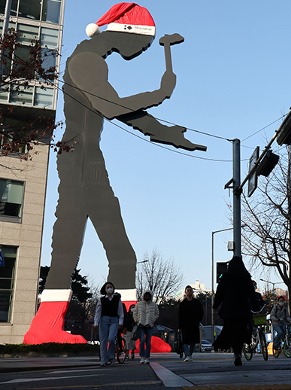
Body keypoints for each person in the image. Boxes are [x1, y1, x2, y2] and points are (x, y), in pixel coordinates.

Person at [24, 2, 204, 344]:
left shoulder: (90, 60)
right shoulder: (86, 61)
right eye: (145, 42)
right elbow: (112, 107)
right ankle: (46, 327)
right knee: (72, 246)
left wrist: (167, 134)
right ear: (126, 32)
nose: (145, 49)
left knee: (117, 253)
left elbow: (119, 110)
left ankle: (134, 333)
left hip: (88, 163)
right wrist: (160, 93)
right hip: (79, 164)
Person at [212, 255, 255, 366]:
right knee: (240, 333)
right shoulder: (246, 277)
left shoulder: (225, 277)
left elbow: (219, 293)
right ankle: (238, 353)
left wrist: (215, 305)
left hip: (229, 311)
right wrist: (255, 304)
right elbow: (251, 293)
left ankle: (232, 350)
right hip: (243, 310)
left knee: (230, 330)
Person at [94, 282, 124, 367]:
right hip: (104, 320)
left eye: (111, 287)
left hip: (114, 320)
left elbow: (120, 311)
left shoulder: (117, 299)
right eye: (108, 287)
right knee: (103, 341)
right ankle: (103, 360)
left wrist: (121, 322)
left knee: (111, 338)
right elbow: (98, 311)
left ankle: (111, 356)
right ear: (105, 289)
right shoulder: (102, 299)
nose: (109, 289)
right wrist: (96, 322)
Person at [178, 285, 204, 362]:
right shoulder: (183, 304)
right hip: (185, 325)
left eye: (190, 290)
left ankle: (190, 354)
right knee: (185, 341)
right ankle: (187, 355)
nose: (189, 292)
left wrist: (198, 320)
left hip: (194, 324)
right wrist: (179, 326)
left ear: (192, 292)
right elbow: (180, 315)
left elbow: (201, 312)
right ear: (185, 292)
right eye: (187, 290)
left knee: (193, 341)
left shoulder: (197, 303)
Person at [133, 290, 159, 364]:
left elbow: (157, 314)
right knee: (142, 341)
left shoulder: (154, 305)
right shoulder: (139, 304)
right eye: (145, 295)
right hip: (141, 325)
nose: (146, 297)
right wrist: (137, 321)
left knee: (148, 342)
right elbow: (135, 313)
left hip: (149, 325)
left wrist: (152, 321)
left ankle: (147, 357)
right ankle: (142, 357)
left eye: (148, 295)